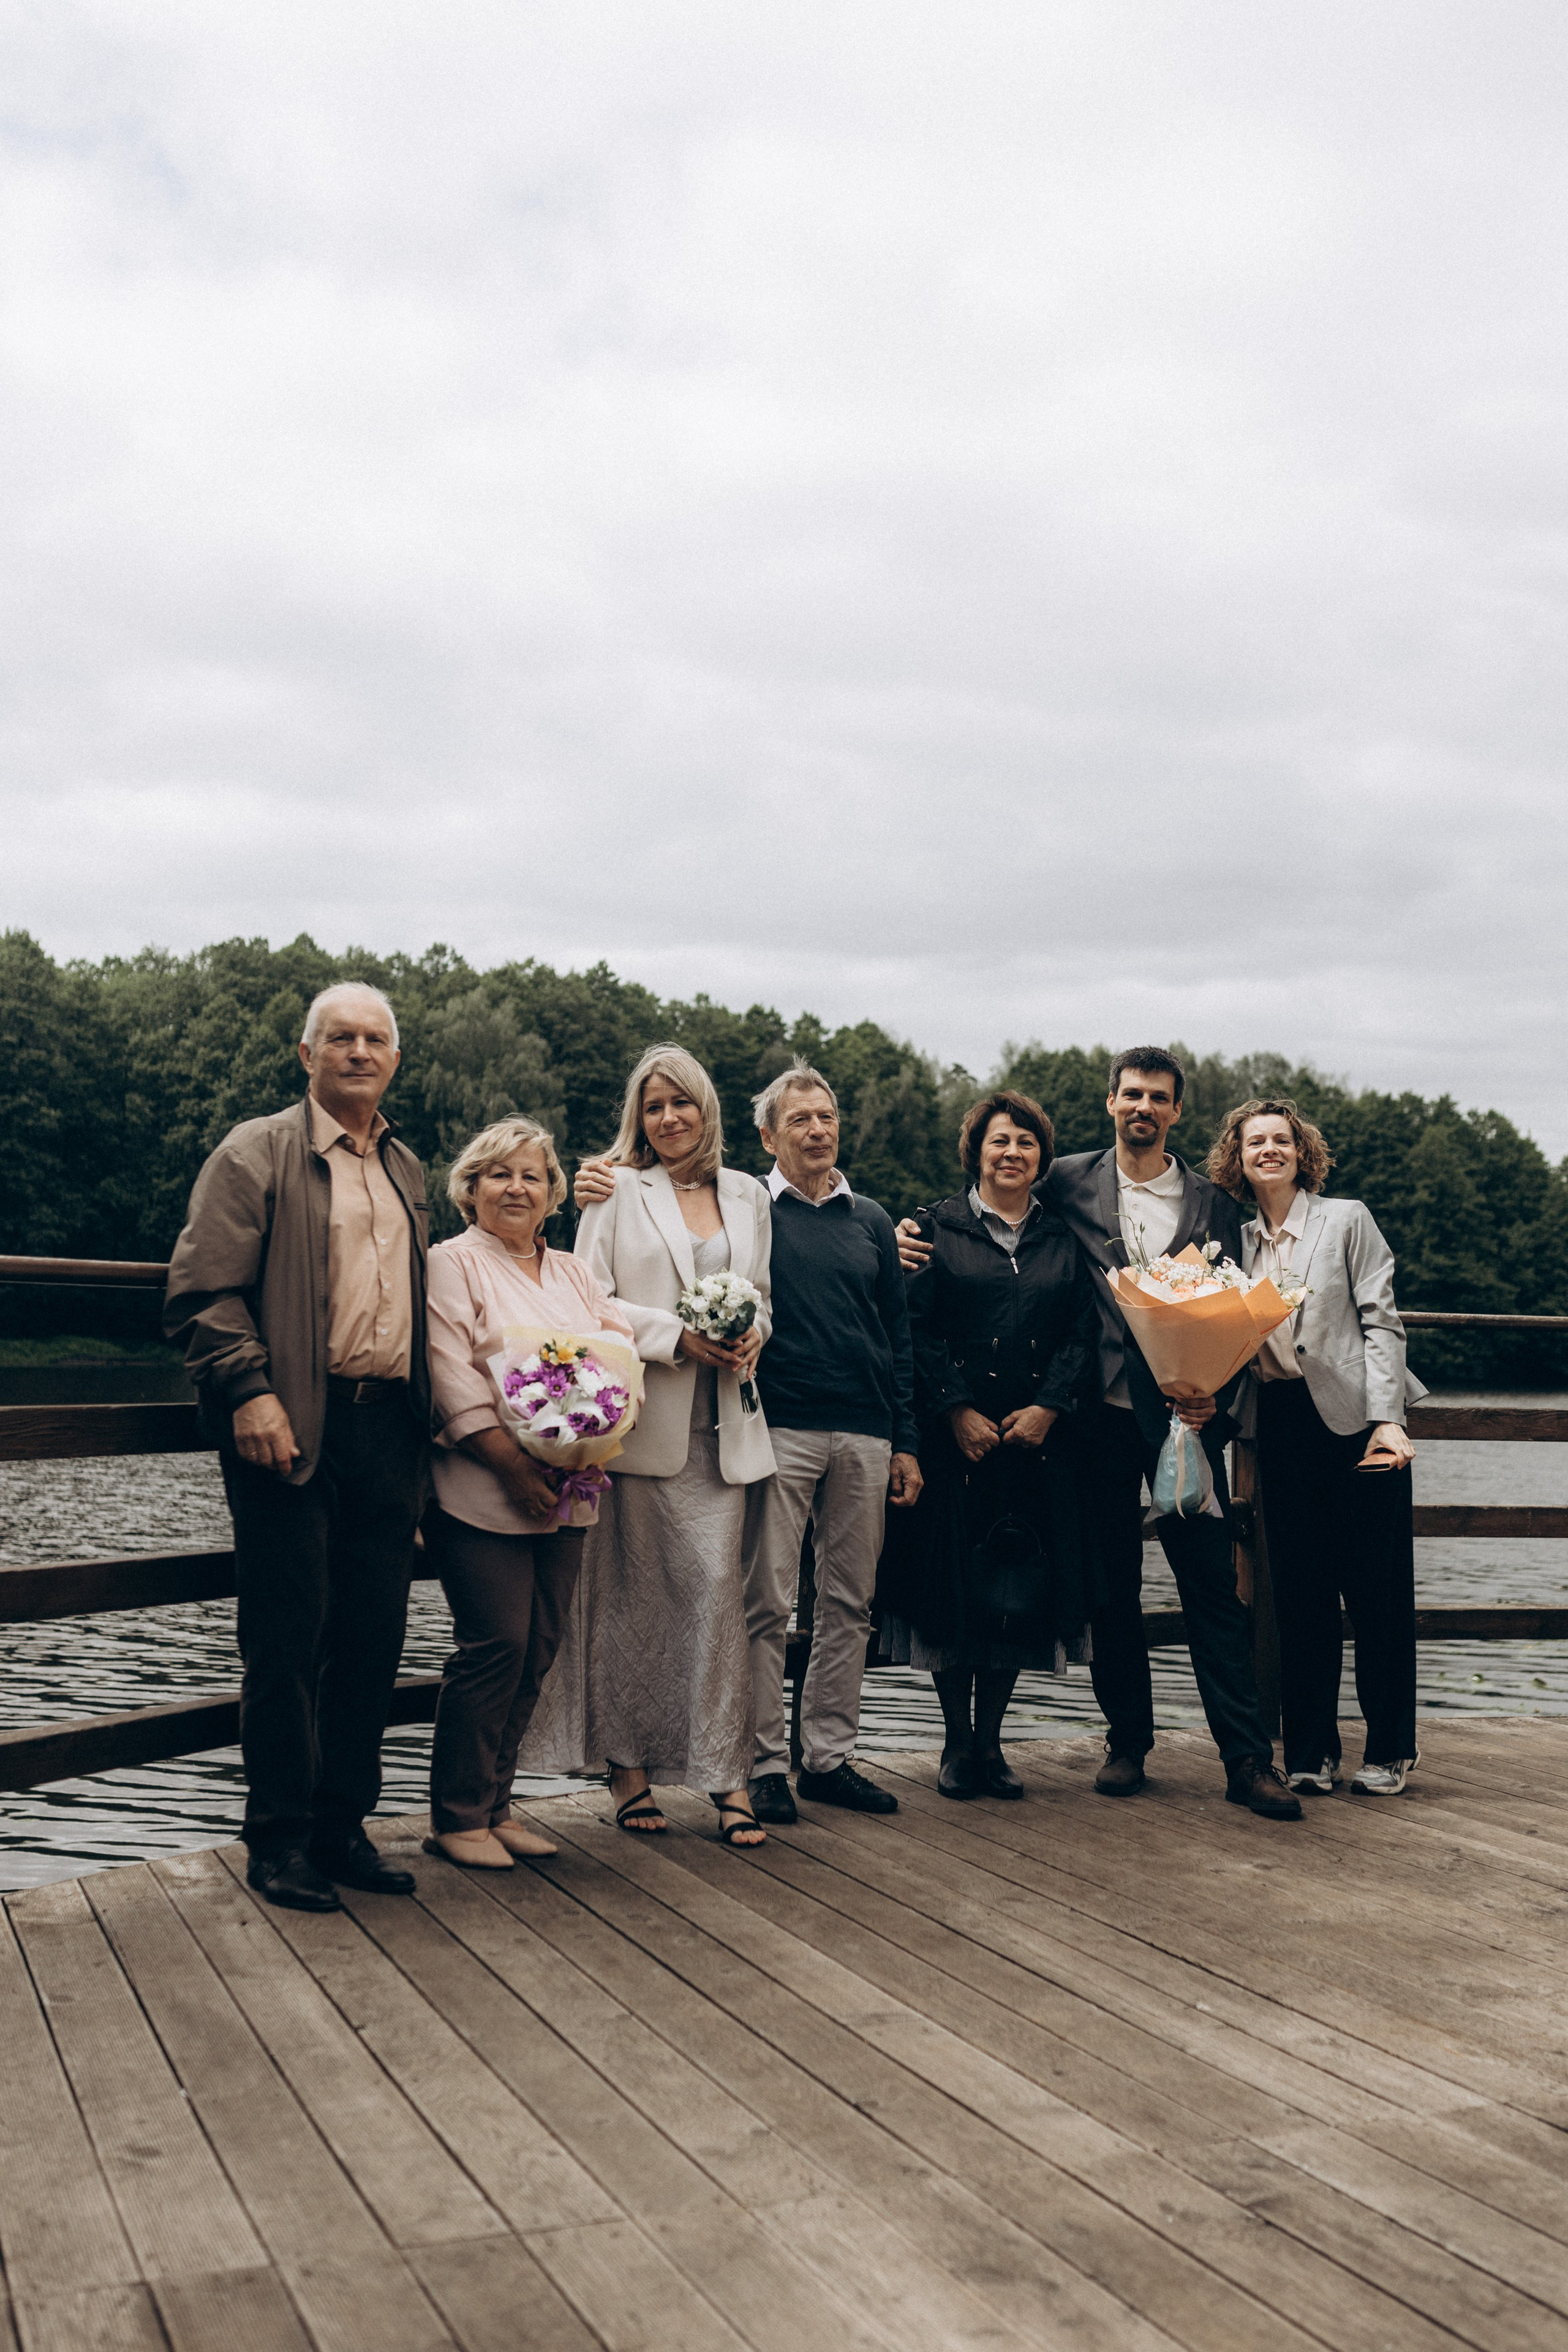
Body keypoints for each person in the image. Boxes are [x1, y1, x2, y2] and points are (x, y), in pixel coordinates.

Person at [898, 1049, 1300, 1820]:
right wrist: (902, 1238)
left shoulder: (1217, 1204)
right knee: (1111, 1587)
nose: (1142, 1107)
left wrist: (1217, 1392)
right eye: (1130, 1095)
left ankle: (1247, 1760)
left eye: (1158, 1097)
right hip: (1100, 1421)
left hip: (1186, 1422)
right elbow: (978, 1204)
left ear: (1177, 1111)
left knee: (1211, 1586)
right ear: (1110, 1103)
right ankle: (1129, 1742)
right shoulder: (1067, 1181)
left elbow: (1249, 1307)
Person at [164, 984, 431, 1911]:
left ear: (394, 1058)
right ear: (306, 1053)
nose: (360, 1051)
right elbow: (203, 1289)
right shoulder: (257, 1150)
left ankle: (341, 1824)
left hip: (389, 1426)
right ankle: (278, 1839)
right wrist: (249, 1391)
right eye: (341, 1038)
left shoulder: (405, 1165)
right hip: (290, 1422)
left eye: (376, 1039)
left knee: (371, 1638)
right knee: (286, 1639)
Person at [535, 1046, 776, 1847]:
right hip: (641, 1427)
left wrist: (748, 1336)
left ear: (707, 1108)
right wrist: (680, 1337)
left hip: (726, 1434)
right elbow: (588, 1299)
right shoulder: (614, 1192)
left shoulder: (747, 1195)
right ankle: (628, 1773)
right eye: (654, 1106)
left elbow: (763, 1297)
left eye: (682, 1103)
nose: (669, 1118)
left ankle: (725, 1775)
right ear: (639, 1118)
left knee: (715, 1598)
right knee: (630, 1610)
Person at [423, 1118, 636, 1871]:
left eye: (532, 1177)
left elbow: (615, 1358)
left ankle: (496, 1806)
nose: (517, 1188)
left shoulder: (575, 1270)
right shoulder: (451, 1263)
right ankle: (454, 1815)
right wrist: (510, 1459)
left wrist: (597, 1432)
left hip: (571, 1486)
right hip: (483, 1485)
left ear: (552, 1195)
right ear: (470, 1187)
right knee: (496, 1645)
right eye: (499, 1175)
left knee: (539, 1647)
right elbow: (448, 1370)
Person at [880, 1091, 1103, 1799]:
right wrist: (954, 1410)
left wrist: (1049, 1406)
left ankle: (992, 1747)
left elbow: (1082, 1333)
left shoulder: (1064, 1237)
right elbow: (914, 1330)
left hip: (1034, 1442)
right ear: (976, 1149)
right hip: (957, 1443)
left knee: (1015, 1585)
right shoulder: (931, 1228)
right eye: (999, 1141)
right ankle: (953, 1746)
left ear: (1043, 1158)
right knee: (955, 1587)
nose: (1012, 1153)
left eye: (1027, 1143)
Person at [1207, 1099, 1427, 1796]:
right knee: (1298, 1593)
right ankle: (1309, 1750)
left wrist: (1387, 1418)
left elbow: (1381, 1322)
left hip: (1360, 1424)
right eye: (1254, 1143)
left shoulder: (1347, 1219)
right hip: (1280, 1420)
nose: (1267, 1151)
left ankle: (1390, 1750)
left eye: (1280, 1140)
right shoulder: (1233, 1242)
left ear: (1301, 1151)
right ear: (1236, 1158)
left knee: (1375, 1594)